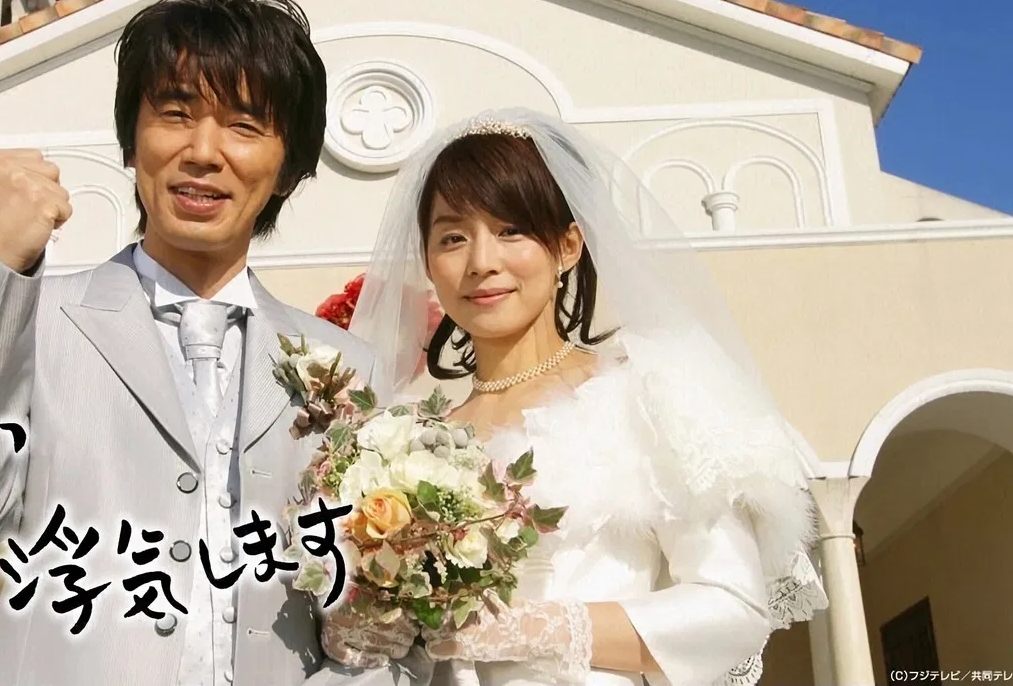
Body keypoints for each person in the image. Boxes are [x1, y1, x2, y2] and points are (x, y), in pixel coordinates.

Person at [0, 0, 414, 686]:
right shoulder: (31, 317)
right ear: (132, 141)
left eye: (245, 125)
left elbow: (378, 615)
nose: (203, 151)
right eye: (175, 113)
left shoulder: (347, 366)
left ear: (289, 168)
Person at [334, 107, 829, 686]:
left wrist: (537, 628)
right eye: (452, 238)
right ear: (429, 261)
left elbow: (731, 609)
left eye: (511, 230)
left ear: (568, 246)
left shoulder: (645, 395)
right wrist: (369, 630)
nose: (482, 262)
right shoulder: (410, 439)